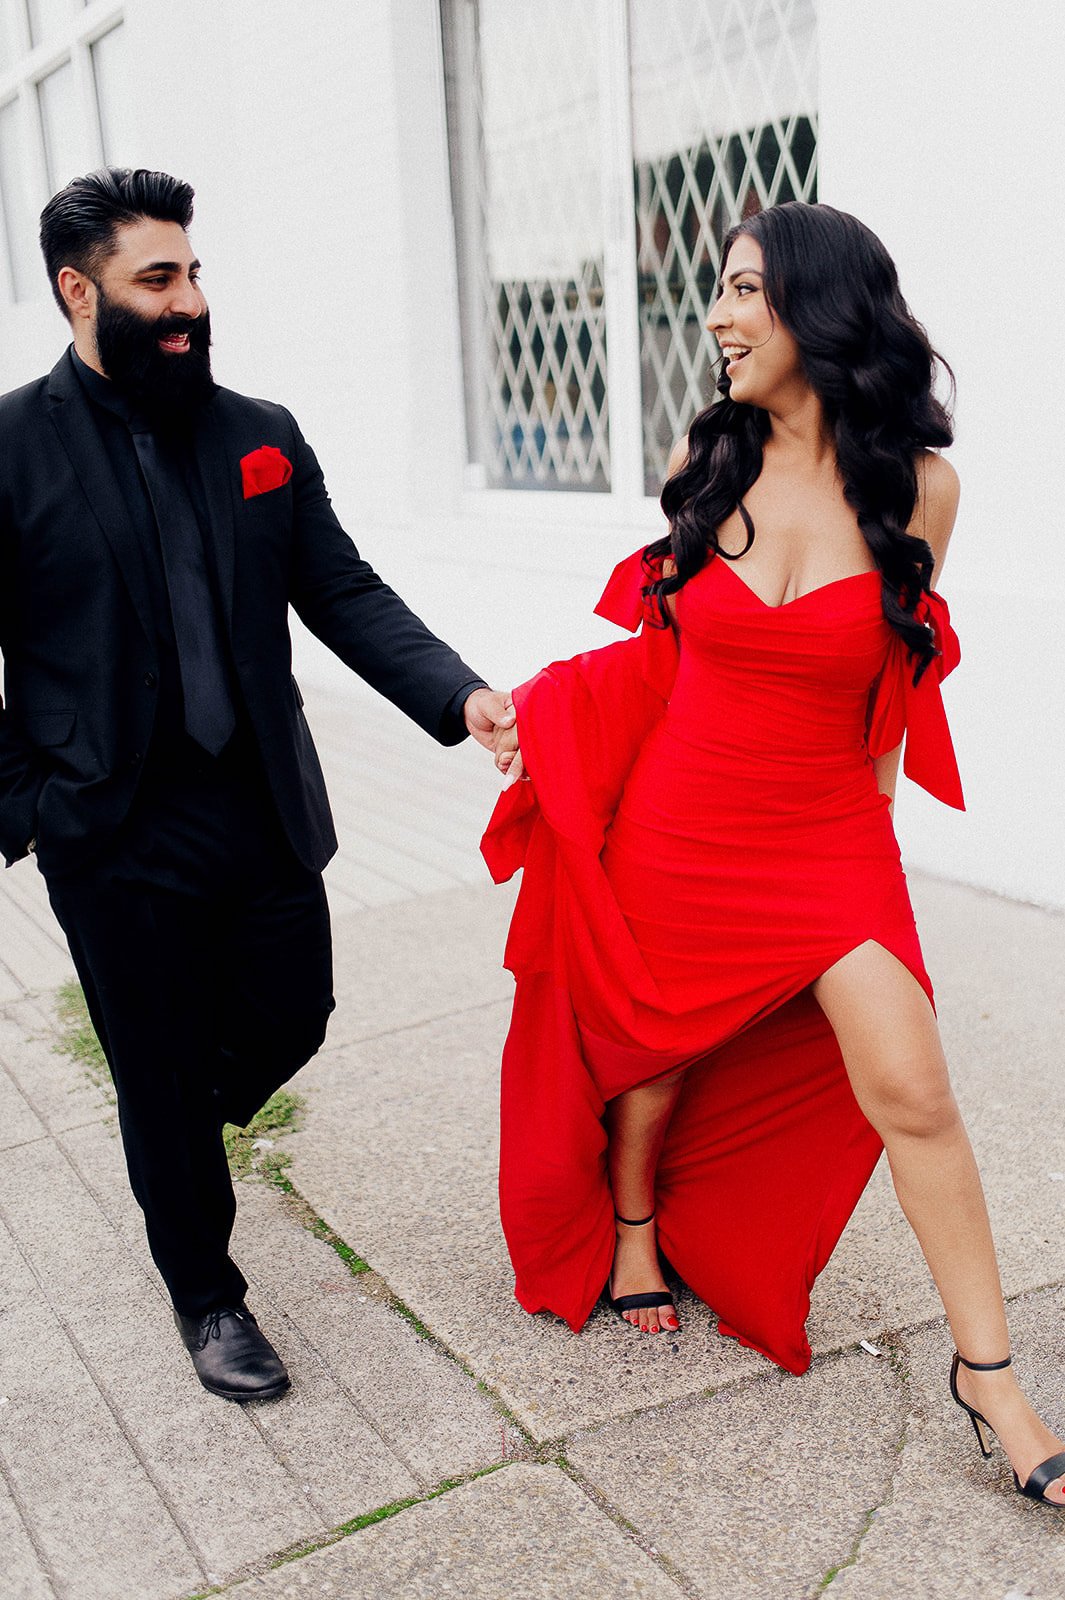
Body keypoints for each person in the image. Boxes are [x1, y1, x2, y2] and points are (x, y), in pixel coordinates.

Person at [483, 201, 1064, 1508]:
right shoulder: (707, 453)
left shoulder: (922, 487)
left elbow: (894, 684)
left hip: (829, 834)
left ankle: (994, 1379)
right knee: (655, 1045)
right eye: (719, 290)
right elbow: (661, 652)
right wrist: (554, 722)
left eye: (743, 290)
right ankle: (632, 1222)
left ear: (818, 307)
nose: (718, 315)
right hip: (686, 818)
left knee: (913, 1082)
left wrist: (877, 847)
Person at [0, 167, 514, 1402]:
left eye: (193, 274)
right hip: (110, 825)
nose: (189, 303)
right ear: (80, 293)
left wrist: (461, 694)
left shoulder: (261, 434)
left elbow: (341, 591)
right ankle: (207, 1291)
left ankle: (172, 1135)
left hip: (258, 802)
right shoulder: (12, 447)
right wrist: (28, 804)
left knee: (293, 1015)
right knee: (159, 1066)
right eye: (156, 280)